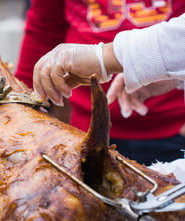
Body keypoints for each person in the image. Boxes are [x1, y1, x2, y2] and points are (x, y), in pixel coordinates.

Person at [16, 0, 185, 165]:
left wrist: (102, 57)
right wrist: (21, 108)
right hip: (87, 127)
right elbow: (43, 28)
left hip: (176, 123)